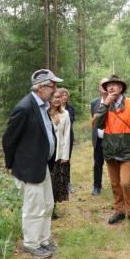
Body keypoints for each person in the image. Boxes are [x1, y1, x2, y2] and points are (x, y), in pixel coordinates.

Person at [2, 69, 63, 259]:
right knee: (34, 207)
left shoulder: (43, 106)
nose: (55, 90)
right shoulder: (25, 107)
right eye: (52, 86)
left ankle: (43, 240)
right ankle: (31, 243)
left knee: (48, 204)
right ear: (41, 88)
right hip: (28, 168)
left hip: (42, 165)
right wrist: (10, 164)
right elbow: (8, 139)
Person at [93, 75, 130, 225]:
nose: (110, 87)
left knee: (125, 183)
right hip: (110, 151)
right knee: (115, 184)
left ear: (121, 88)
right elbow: (97, 124)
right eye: (108, 85)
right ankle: (119, 211)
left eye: (114, 85)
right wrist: (105, 104)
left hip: (127, 151)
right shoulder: (105, 105)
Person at [48, 90, 71, 218]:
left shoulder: (65, 114)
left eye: (58, 97)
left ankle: (53, 208)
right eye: (54, 97)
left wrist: (65, 156)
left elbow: (67, 135)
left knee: (56, 182)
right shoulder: (44, 113)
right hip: (47, 154)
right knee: (48, 182)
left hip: (59, 153)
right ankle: (46, 207)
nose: (57, 99)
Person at [90, 78, 109, 195]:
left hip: (112, 140)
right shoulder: (94, 103)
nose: (104, 87)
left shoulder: (115, 102)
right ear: (99, 88)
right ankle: (97, 187)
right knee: (97, 163)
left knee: (114, 164)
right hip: (98, 139)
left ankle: (116, 186)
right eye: (102, 85)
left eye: (106, 85)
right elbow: (94, 121)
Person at [58, 87, 75, 192]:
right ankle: (57, 182)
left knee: (66, 159)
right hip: (57, 137)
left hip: (68, 136)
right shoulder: (54, 107)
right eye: (62, 95)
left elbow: (71, 121)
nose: (64, 97)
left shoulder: (71, 109)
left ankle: (67, 183)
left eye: (66, 95)